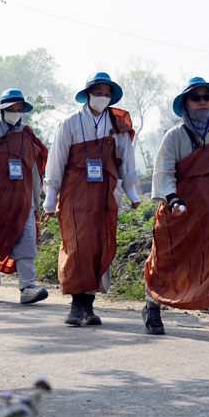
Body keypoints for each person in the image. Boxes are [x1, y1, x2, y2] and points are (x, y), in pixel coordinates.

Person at [143, 78, 209, 343]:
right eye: (195, 98)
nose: (201, 103)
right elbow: (163, 171)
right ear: (185, 103)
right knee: (166, 261)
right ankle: (152, 308)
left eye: (205, 97)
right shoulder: (174, 136)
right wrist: (173, 198)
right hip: (179, 212)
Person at [43, 72, 141, 326]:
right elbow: (56, 162)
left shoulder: (117, 126)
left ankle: (89, 304)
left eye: (107, 93)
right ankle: (77, 304)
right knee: (76, 245)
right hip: (75, 192)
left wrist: (132, 193)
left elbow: (127, 161)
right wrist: (50, 199)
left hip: (105, 194)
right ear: (88, 94)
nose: (102, 97)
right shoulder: (70, 123)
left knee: (100, 244)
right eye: (98, 92)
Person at [0, 89, 49, 303]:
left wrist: (36, 200)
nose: (15, 112)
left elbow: (34, 170)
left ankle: (28, 287)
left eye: (19, 108)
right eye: (11, 108)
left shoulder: (28, 135)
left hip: (22, 201)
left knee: (27, 243)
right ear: (2, 110)